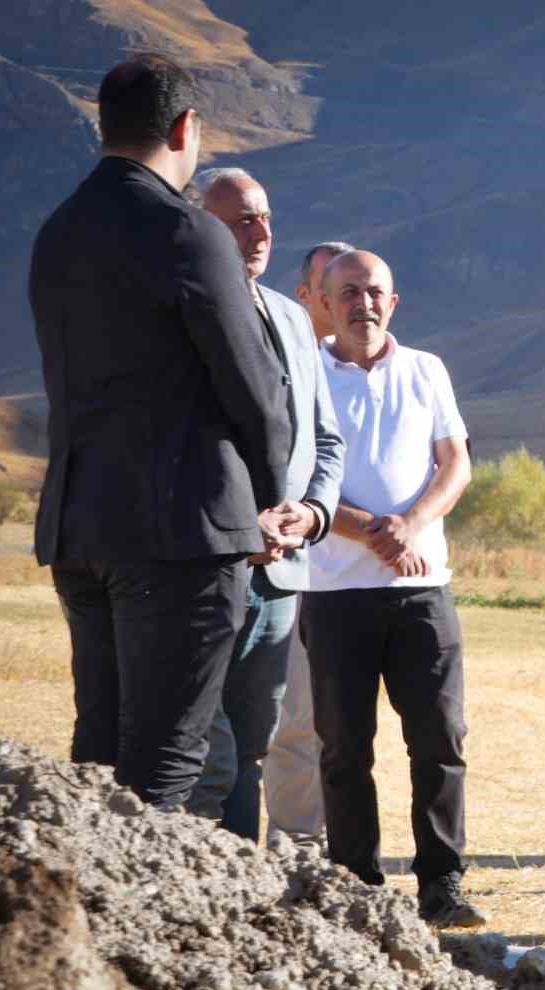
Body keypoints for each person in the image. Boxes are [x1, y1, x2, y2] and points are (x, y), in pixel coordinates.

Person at [29, 54, 298, 809]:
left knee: (99, 757)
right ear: (186, 128)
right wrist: (268, 503)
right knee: (165, 765)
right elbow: (255, 387)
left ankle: (82, 883)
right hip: (179, 532)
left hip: (81, 528)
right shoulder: (187, 231)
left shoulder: (57, 232)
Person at [302, 250, 480, 927]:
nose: (364, 303)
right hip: (334, 590)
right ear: (326, 303)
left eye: (375, 291)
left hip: (422, 589)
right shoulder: (305, 373)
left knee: (440, 738)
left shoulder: (426, 370)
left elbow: (455, 464)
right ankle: (358, 888)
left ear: (394, 301)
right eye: (348, 292)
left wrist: (410, 525)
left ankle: (443, 884)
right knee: (345, 747)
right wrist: (371, 532)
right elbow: (294, 473)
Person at [190, 170, 344, 842]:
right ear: (203, 227)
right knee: (201, 751)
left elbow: (326, 439)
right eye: (241, 221)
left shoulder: (291, 317)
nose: (260, 233)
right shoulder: (180, 311)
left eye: (265, 218)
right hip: (206, 564)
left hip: (280, 575)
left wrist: (312, 513)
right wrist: (238, 520)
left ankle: (238, 885)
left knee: (252, 745)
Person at [264, 240, 356, 851]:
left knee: (342, 722)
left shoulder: (391, 365)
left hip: (360, 576)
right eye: (334, 285)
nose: (348, 298)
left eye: (359, 284)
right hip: (290, 565)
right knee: (291, 715)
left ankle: (337, 843)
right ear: (306, 296)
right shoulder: (282, 364)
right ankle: (294, 839)